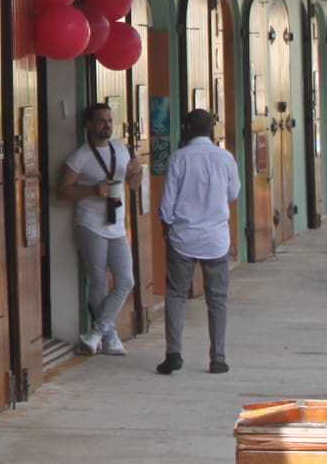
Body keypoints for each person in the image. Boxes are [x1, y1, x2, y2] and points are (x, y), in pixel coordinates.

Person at [155, 107, 241, 376]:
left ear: (186, 129)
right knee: (217, 299)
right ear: (211, 130)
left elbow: (166, 205)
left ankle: (174, 353)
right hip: (216, 239)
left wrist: (168, 227)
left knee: (176, 295)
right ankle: (218, 357)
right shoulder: (225, 158)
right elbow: (233, 193)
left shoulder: (179, 158)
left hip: (183, 238)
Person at [57, 100, 141, 356]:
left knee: (126, 280)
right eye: (102, 121)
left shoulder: (121, 149)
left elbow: (134, 186)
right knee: (98, 279)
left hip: (116, 223)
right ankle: (111, 336)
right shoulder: (80, 155)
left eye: (110, 120)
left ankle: (97, 333)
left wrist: (137, 173)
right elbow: (62, 191)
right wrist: (92, 189)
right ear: (89, 125)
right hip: (91, 223)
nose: (107, 126)